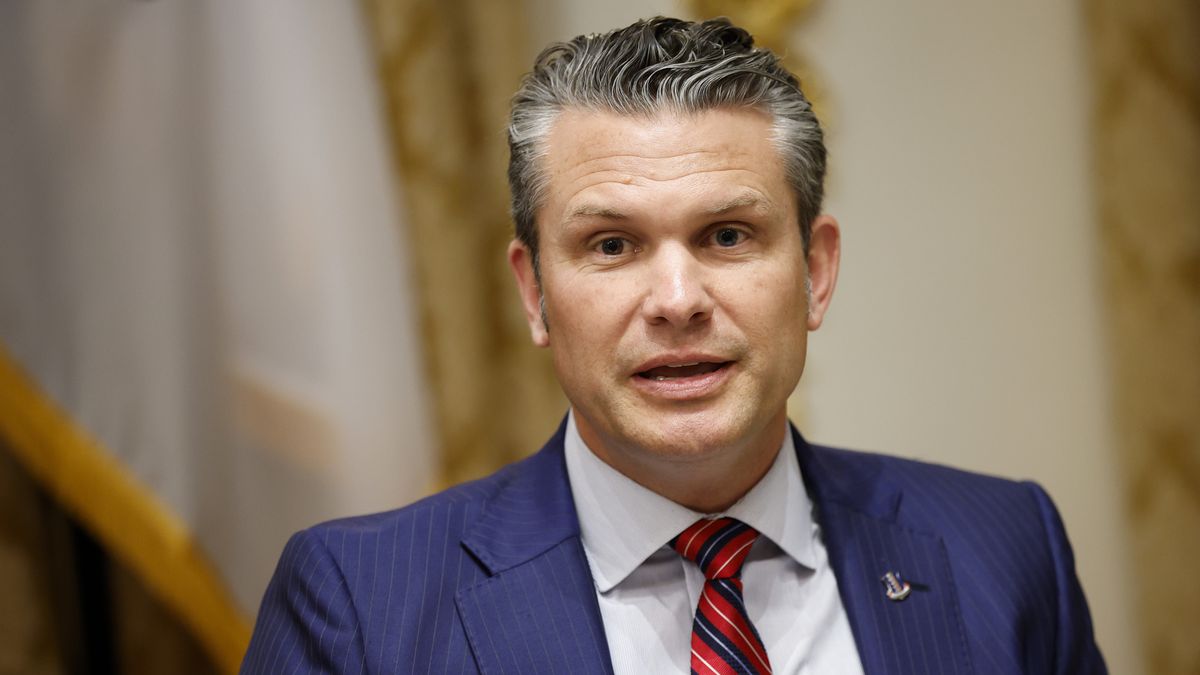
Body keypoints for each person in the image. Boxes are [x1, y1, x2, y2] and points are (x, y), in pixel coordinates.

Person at [241, 17, 1106, 674]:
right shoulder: (361, 604)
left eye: (728, 235)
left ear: (816, 271)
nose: (678, 300)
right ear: (535, 292)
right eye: (611, 245)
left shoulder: (1004, 544)